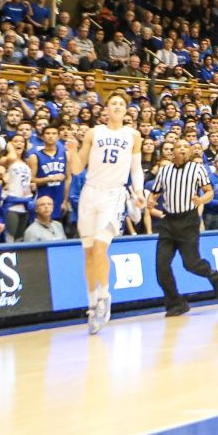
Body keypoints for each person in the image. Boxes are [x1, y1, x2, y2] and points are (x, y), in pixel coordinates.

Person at [73, 93, 141, 334]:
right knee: (89, 254)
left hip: (114, 195)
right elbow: (76, 168)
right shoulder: (93, 133)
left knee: (101, 249)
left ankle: (104, 296)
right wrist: (72, 149)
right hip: (89, 194)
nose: (117, 107)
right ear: (106, 109)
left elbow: (137, 168)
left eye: (122, 104)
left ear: (126, 110)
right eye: (113, 103)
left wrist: (139, 191)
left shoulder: (133, 136)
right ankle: (92, 305)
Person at [148, 139, 218, 317]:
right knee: (161, 267)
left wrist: (201, 200)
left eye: (185, 147)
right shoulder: (164, 171)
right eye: (178, 147)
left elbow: (209, 191)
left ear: (190, 151)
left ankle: (213, 275)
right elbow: (155, 193)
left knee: (191, 264)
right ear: (172, 152)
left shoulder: (197, 169)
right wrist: (151, 200)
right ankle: (176, 303)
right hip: (168, 222)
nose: (182, 149)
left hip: (188, 221)